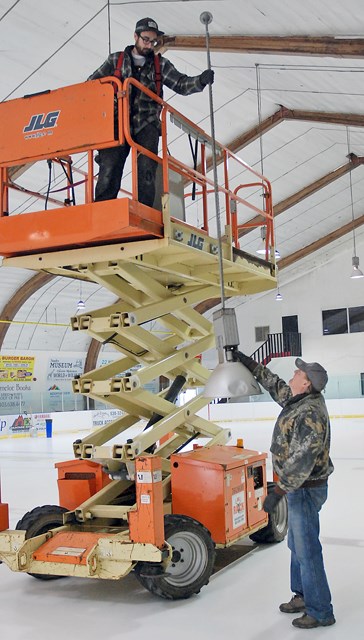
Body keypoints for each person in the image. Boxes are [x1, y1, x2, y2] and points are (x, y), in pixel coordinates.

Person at [234, 352, 335, 629]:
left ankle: (321, 610)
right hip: (297, 487)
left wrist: (278, 491)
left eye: (297, 374)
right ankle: (302, 595)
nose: (292, 376)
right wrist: (248, 362)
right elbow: (275, 383)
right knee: (296, 544)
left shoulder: (310, 413)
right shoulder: (299, 400)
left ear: (306, 384)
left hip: (303, 487)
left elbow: (302, 460)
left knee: (307, 548)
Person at [88, 17, 214, 207]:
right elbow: (91, 85)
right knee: (109, 167)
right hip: (116, 122)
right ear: (135, 37)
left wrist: (200, 81)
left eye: (153, 41)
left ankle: (144, 209)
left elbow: (180, 84)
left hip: (146, 123)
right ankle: (102, 209)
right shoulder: (116, 60)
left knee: (147, 167)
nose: (149, 45)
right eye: (146, 39)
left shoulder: (160, 64)